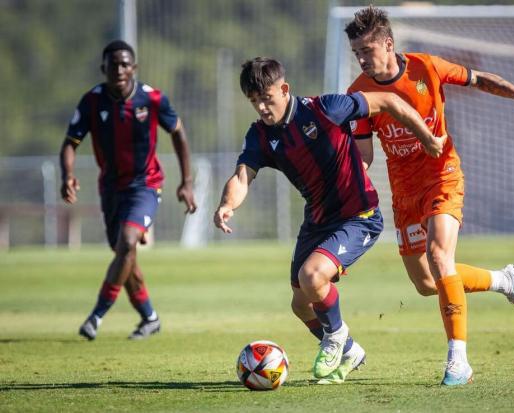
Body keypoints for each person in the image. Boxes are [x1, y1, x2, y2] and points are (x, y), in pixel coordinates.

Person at [344, 6, 514, 385]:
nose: (361, 59)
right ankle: (504, 280)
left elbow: (478, 79)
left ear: (388, 44)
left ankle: (459, 360)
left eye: (366, 51)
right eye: (356, 52)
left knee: (440, 257)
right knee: (426, 283)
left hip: (443, 177)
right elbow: (366, 153)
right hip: (404, 192)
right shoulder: (358, 93)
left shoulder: (427, 67)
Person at [214, 57, 446, 384]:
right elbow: (242, 176)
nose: (262, 107)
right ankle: (350, 350)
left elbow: (390, 101)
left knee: (312, 277)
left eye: (266, 97)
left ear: (284, 89)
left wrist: (425, 136)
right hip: (318, 220)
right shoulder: (260, 136)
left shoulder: (325, 109)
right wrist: (227, 205)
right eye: (254, 101)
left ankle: (335, 336)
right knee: (300, 304)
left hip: (359, 216)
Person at [60, 40, 197, 341]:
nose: (119, 69)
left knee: (127, 241)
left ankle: (96, 316)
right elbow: (71, 142)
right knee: (125, 254)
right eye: (113, 64)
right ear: (103, 68)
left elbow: (179, 134)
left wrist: (186, 182)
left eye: (125, 64)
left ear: (134, 68)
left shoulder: (152, 99)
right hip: (110, 189)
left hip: (145, 186)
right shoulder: (92, 101)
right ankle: (150, 318)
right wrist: (67, 175)